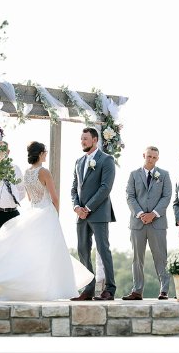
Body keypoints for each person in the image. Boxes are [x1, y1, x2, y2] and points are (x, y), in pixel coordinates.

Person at [0, 142, 93, 302]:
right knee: (49, 252)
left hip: (33, 211)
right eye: (45, 152)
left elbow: (30, 198)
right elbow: (54, 197)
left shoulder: (26, 172)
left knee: (35, 251)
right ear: (40, 154)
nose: (46, 154)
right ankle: (48, 287)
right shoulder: (44, 172)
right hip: (47, 213)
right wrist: (55, 214)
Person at [71, 126, 117, 301]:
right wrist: (76, 207)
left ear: (95, 140)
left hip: (98, 213)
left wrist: (88, 208)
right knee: (82, 250)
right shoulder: (79, 161)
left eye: (85, 139)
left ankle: (110, 289)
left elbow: (105, 187)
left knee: (103, 249)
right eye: (81, 139)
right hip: (80, 214)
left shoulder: (107, 160)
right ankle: (88, 289)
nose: (82, 141)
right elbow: (74, 188)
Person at [123, 146, 172, 300]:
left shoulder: (164, 175)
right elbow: (130, 196)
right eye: (148, 156)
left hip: (157, 223)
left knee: (161, 257)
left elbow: (166, 197)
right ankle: (137, 291)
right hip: (137, 223)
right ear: (144, 155)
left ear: (157, 159)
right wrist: (140, 214)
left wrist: (153, 214)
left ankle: (164, 290)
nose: (150, 159)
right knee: (137, 258)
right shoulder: (133, 175)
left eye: (154, 157)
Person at [0, 146, 25, 240]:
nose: (0, 153)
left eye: (3, 150)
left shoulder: (15, 168)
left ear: (8, 152)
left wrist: (13, 201)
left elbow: (21, 189)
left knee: (16, 241)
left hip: (12, 212)